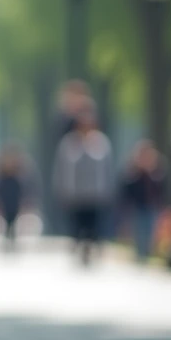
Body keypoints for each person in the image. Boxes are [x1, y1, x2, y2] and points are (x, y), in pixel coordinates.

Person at [53, 105, 114, 267]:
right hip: (75, 194)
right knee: (77, 226)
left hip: (96, 195)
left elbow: (107, 169)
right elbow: (61, 168)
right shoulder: (69, 142)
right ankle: (80, 247)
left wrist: (108, 190)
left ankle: (91, 247)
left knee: (93, 226)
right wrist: (61, 189)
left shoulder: (101, 142)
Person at [119, 140, 168, 262]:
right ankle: (140, 254)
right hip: (137, 207)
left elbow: (161, 191)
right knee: (139, 231)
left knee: (150, 231)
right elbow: (127, 192)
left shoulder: (156, 174)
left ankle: (146, 253)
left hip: (151, 207)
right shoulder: (134, 174)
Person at [0, 145, 31, 252]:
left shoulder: (19, 173)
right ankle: (8, 238)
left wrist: (25, 201)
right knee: (7, 219)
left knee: (14, 219)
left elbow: (24, 188)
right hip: (5, 199)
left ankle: (12, 238)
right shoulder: (1, 174)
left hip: (15, 198)